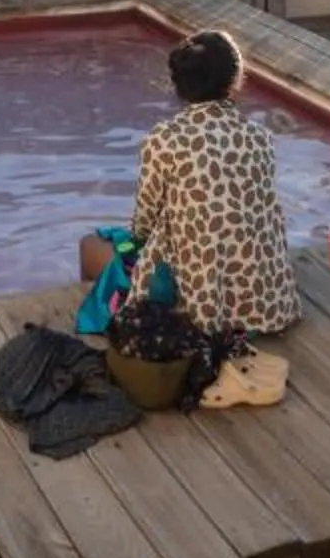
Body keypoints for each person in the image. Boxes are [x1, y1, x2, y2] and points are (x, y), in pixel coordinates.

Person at [73, 30, 302, 337]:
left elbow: (143, 225)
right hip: (266, 305)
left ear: (178, 85)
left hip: (200, 312)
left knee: (92, 246)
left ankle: (107, 332)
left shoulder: (165, 139)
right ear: (235, 80)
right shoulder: (260, 138)